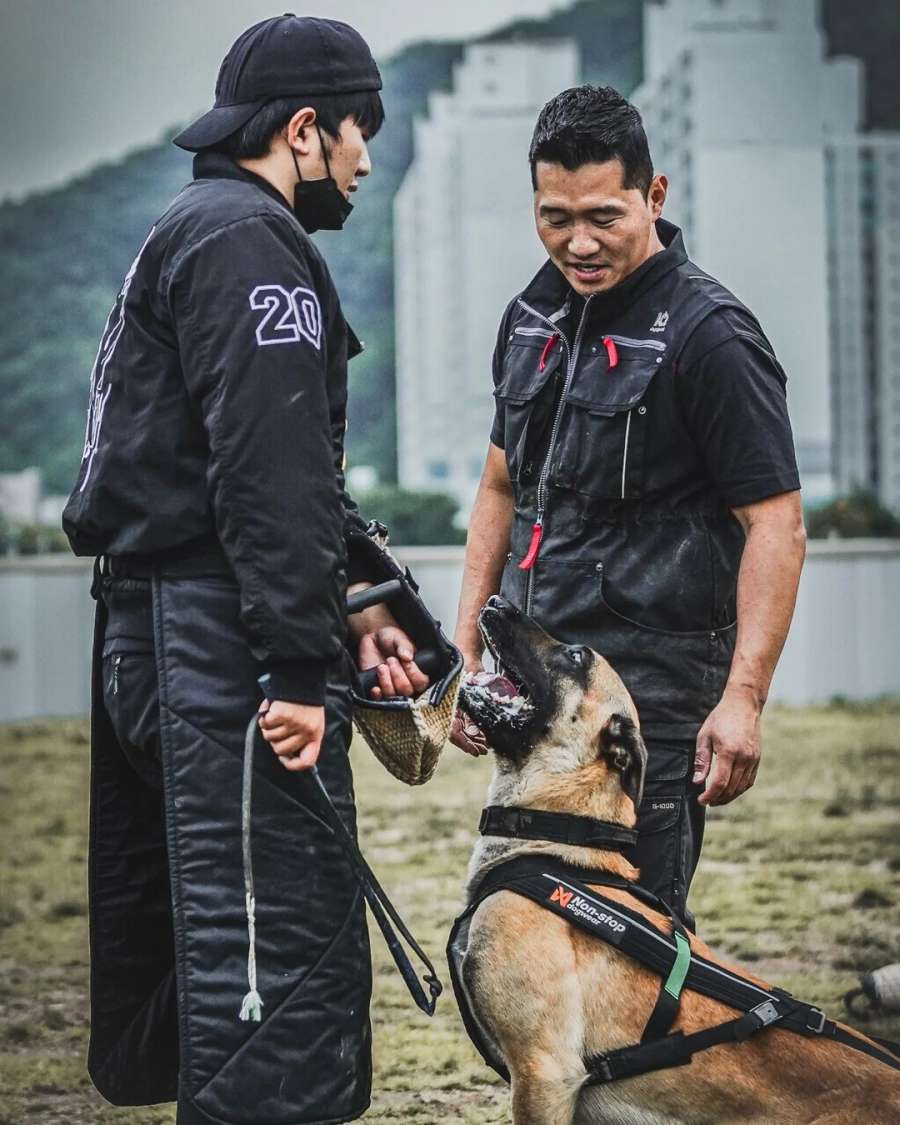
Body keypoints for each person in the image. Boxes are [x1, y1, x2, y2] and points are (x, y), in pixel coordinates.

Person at [62, 16, 427, 1125]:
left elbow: (264, 470)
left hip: (166, 634)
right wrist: (298, 670)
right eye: (361, 131)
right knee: (273, 993)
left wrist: (357, 601)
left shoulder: (195, 228)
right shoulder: (246, 242)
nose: (367, 158)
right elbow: (268, 478)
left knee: (227, 976)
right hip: (214, 650)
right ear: (306, 129)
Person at [451, 86, 806, 927]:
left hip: (647, 712)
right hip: (539, 694)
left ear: (655, 195)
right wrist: (465, 645)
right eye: (554, 216)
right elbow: (501, 486)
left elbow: (777, 525)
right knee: (530, 927)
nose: (578, 242)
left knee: (632, 940)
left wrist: (743, 698)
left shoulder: (710, 335)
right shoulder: (531, 317)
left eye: (604, 216)